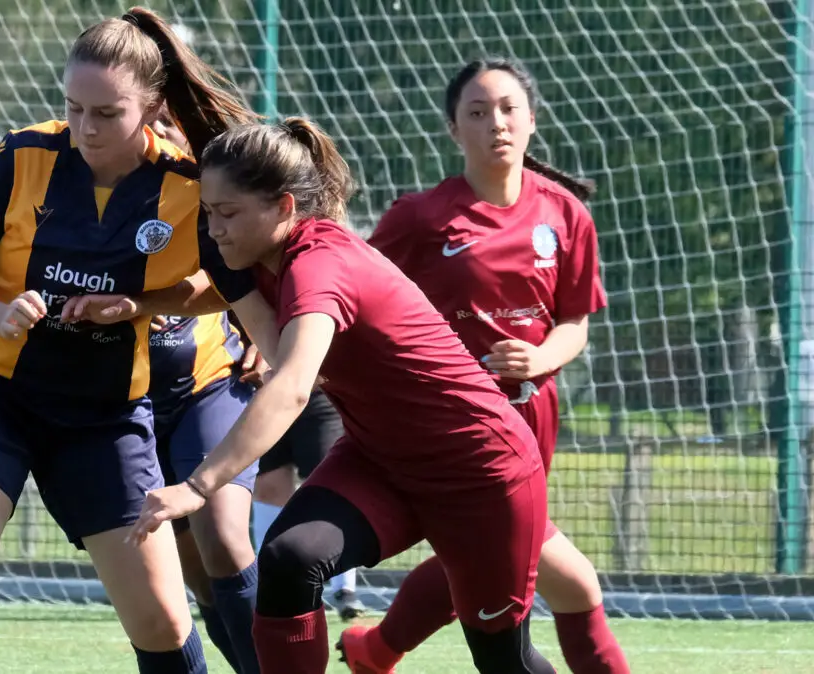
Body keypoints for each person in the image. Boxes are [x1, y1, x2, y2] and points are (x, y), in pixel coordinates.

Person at [0, 8, 265, 673]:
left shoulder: (186, 185)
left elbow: (224, 285)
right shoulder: (21, 158)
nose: (87, 127)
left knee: (161, 617)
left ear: (151, 105)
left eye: (107, 112)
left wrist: (140, 304)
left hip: (104, 413)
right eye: (74, 107)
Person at [128, 117, 557, 674]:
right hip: (381, 461)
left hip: (480, 472)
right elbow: (238, 305)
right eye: (207, 212)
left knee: (505, 661)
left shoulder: (320, 266)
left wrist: (198, 485)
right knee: (289, 558)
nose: (213, 229)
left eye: (227, 213)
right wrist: (139, 302)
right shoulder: (265, 258)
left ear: (284, 207)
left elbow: (291, 387)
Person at [338, 57, 631, 674]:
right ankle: (380, 650)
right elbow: (350, 289)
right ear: (453, 129)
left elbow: (574, 323)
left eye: (507, 109)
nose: (495, 122)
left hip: (534, 417)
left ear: (531, 120)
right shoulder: (420, 217)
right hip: (455, 425)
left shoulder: (566, 215)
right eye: (476, 111)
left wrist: (539, 357)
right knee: (562, 580)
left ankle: (375, 651)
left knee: (475, 554)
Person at [144, 108, 261, 674]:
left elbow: (273, 257)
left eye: (168, 119)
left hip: (209, 387)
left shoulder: (217, 194)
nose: (157, 132)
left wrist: (266, 324)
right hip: (121, 408)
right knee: (187, 573)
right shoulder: (80, 188)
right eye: (146, 121)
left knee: (223, 536)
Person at [253, 388, 366, 620]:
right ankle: (267, 586)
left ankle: (344, 589)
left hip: (318, 390)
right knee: (267, 487)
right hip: (264, 394)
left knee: (332, 483)